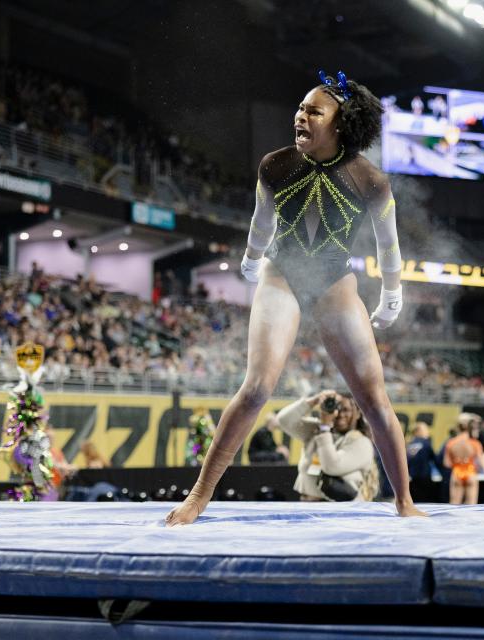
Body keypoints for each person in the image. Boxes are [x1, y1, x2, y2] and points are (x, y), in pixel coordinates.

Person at [166, 70, 426, 524]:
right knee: (256, 389)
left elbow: (389, 246)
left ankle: (404, 501)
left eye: (313, 111)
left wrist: (391, 293)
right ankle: (198, 497)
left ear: (340, 124)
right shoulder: (275, 165)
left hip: (334, 282)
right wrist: (250, 257)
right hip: (283, 273)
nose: (300, 116)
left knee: (373, 398)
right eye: (300, 108)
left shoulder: (371, 181)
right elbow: (262, 221)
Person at [275, 389, 378, 502]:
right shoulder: (316, 429)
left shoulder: (362, 442)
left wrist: (325, 428)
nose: (339, 414)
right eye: (336, 407)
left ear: (358, 413)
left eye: (346, 410)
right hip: (309, 505)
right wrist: (314, 401)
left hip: (340, 512)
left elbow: (331, 466)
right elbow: (283, 420)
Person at [443, 413, 484, 505]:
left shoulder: (451, 443)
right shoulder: (475, 443)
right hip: (471, 472)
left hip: (456, 473)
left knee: (454, 503)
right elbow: (481, 463)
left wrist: (457, 463)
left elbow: (447, 463)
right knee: (471, 504)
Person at [406, 422, 439, 503]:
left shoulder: (409, 444)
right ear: (418, 431)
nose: (428, 432)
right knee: (425, 502)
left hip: (412, 479)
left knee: (415, 501)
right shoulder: (426, 443)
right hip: (424, 479)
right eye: (425, 430)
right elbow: (436, 461)